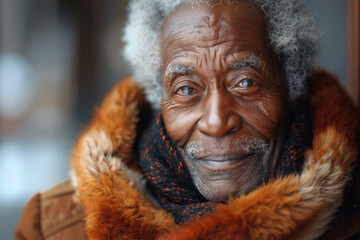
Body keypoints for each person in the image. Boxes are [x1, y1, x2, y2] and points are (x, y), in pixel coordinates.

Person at [15, 0, 360, 239]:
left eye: (245, 82)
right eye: (185, 89)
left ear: (291, 84)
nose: (215, 121)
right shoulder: (53, 227)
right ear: (158, 97)